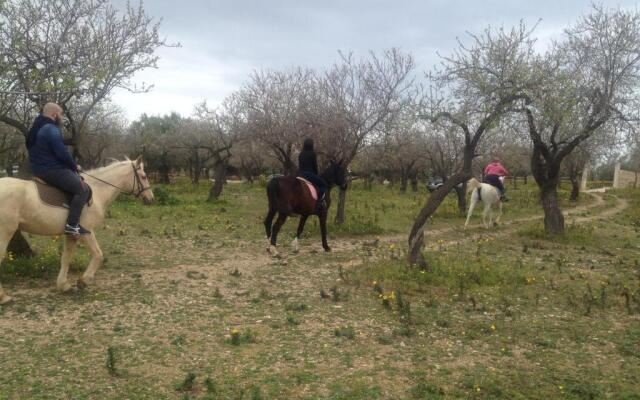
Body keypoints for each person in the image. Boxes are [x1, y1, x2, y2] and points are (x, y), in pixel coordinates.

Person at [27, 103, 91, 235]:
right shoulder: (51, 128)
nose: (61, 117)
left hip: (37, 169)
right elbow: (61, 152)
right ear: (55, 114)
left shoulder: (35, 128)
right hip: (52, 170)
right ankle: (72, 225)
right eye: (60, 115)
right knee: (82, 189)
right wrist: (74, 166)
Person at [298, 138, 326, 212]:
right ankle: (319, 202)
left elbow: (300, 165)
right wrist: (316, 175)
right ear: (311, 145)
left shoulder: (301, 154)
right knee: (323, 184)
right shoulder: (312, 154)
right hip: (309, 174)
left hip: (300, 174)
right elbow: (315, 166)